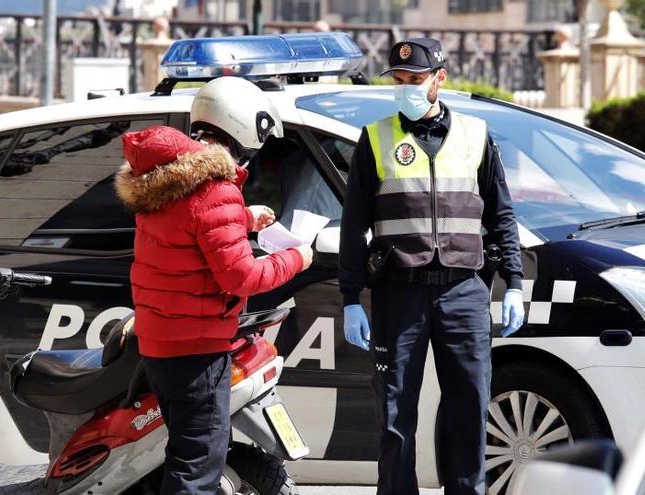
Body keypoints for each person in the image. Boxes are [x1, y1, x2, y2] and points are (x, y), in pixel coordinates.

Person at [338, 38, 525, 495]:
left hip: (463, 291)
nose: (404, 88)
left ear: (439, 79)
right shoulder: (377, 138)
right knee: (396, 415)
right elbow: (352, 225)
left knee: (469, 408)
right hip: (399, 292)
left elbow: (500, 215)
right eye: (398, 81)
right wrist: (349, 298)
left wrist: (514, 282)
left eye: (414, 80)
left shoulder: (476, 135)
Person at [115, 76, 313, 494]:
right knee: (197, 466)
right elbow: (243, 276)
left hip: (161, 342)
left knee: (184, 455)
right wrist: (298, 257)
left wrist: (242, 217)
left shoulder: (164, 177)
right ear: (240, 128)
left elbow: (184, 232)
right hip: (197, 348)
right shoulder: (215, 189)